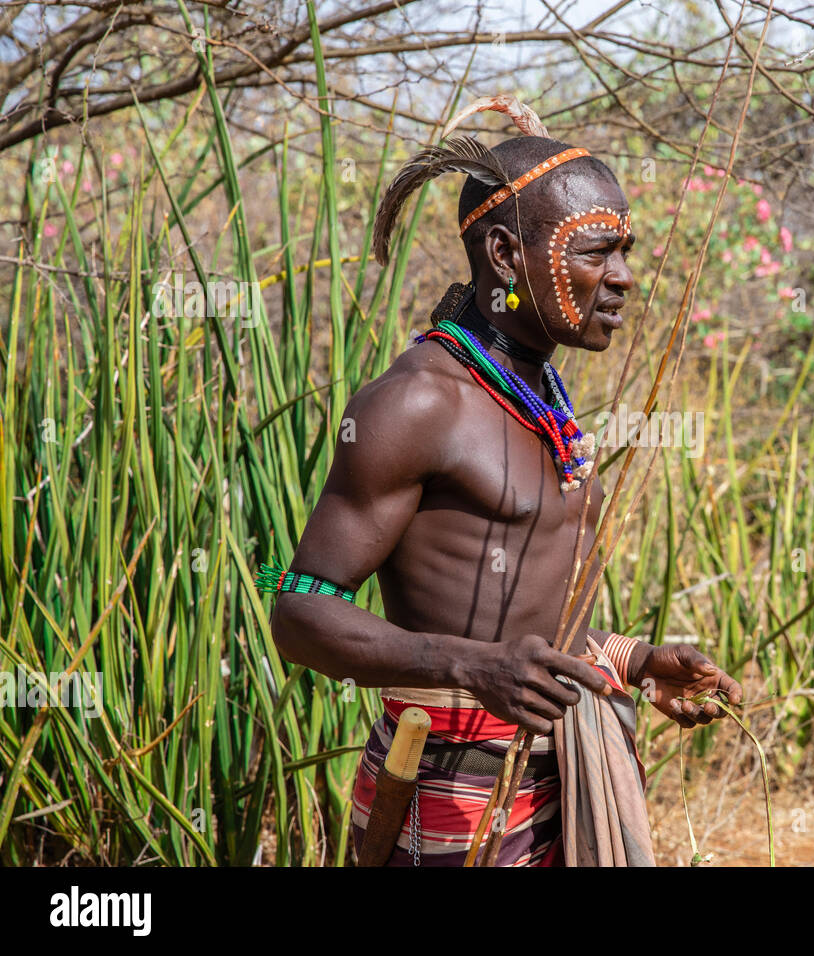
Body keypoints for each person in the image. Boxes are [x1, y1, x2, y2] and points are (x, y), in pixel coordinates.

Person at [264, 98, 741, 866]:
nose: (620, 279)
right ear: (505, 253)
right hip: (449, 796)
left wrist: (634, 659)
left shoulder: (543, 396)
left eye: (625, 253)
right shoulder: (418, 402)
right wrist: (463, 665)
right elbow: (297, 611)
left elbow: (525, 635)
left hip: (564, 782)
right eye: (594, 252)